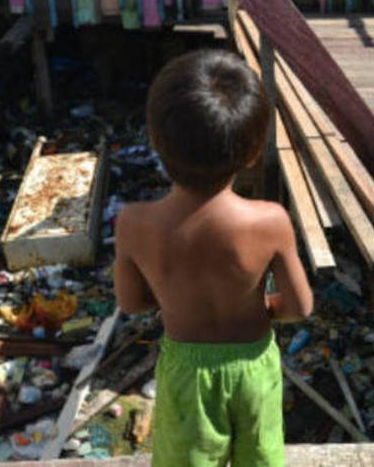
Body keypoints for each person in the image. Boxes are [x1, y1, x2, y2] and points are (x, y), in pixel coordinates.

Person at [114, 49, 314, 467]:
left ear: (154, 140)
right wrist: (258, 306)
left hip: (187, 373)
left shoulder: (134, 224)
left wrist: (175, 297)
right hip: (253, 367)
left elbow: (131, 302)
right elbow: (299, 306)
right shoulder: (270, 221)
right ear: (254, 151)